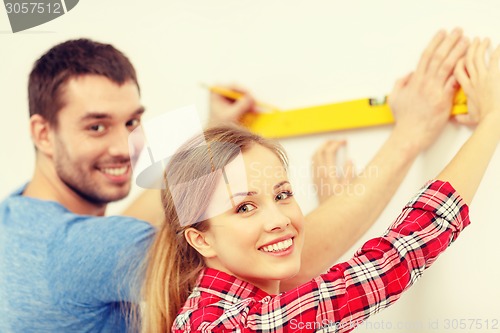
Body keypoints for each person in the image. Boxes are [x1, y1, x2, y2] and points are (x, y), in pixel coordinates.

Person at [0, 28, 466, 332]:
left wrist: (206, 138)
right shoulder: (90, 250)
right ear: (42, 132)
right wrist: (411, 134)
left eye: (134, 122)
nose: (125, 149)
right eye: (96, 126)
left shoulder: (18, 217)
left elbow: (128, 221)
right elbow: (284, 259)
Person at [137, 37, 499, 332]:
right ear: (201, 239)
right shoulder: (226, 325)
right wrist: (494, 117)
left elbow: (311, 307)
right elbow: (391, 264)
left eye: (283, 195)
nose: (279, 219)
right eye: (245, 207)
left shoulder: (213, 309)